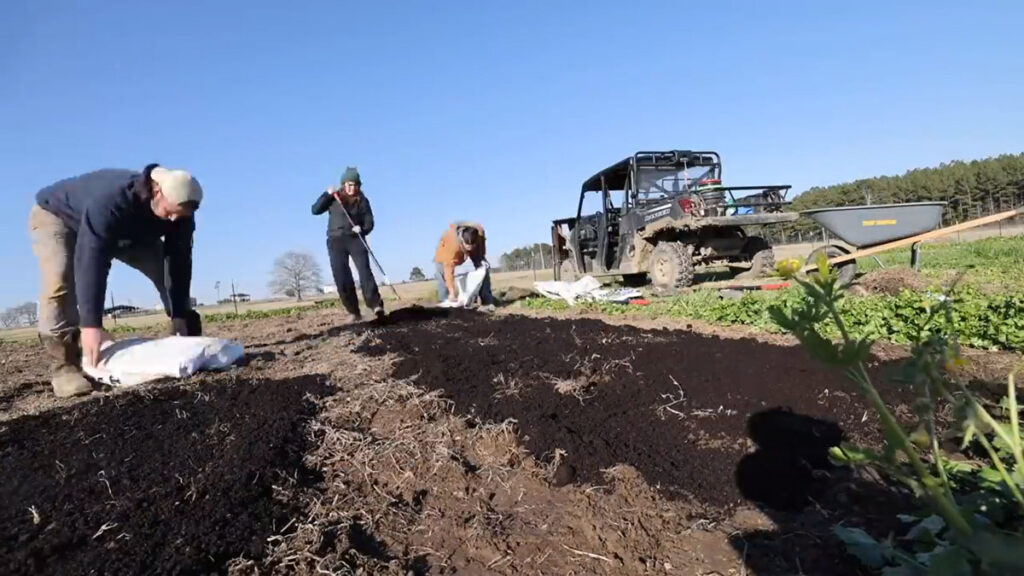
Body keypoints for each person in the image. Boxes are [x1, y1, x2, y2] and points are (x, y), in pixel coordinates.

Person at [29, 164, 204, 398]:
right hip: (60, 217)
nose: (173, 220)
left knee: (164, 272)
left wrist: (181, 315)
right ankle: (65, 367)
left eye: (179, 216)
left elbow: (178, 261)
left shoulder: (180, 215)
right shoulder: (111, 200)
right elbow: (92, 260)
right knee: (59, 283)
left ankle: (180, 339)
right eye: (169, 212)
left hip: (130, 230)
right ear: (157, 192)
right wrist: (91, 325)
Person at [311, 167, 384, 322]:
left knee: (365, 272)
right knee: (341, 276)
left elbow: (369, 222)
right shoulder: (333, 197)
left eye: (354, 185)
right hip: (335, 240)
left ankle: (375, 305)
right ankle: (353, 311)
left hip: (356, 239)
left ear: (358, 186)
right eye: (348, 185)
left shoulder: (363, 201)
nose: (351, 188)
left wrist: (362, 229)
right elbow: (315, 210)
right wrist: (326, 194)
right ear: (343, 185)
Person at [433, 221, 494, 308]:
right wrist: (452, 292)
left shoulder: (479, 235)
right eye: (467, 246)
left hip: (470, 245)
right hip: (445, 254)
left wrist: (481, 261)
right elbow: (448, 269)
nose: (469, 249)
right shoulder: (452, 245)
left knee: (483, 267)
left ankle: (486, 300)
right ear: (462, 240)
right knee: (442, 273)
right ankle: (446, 302)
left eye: (472, 246)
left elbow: (481, 255)